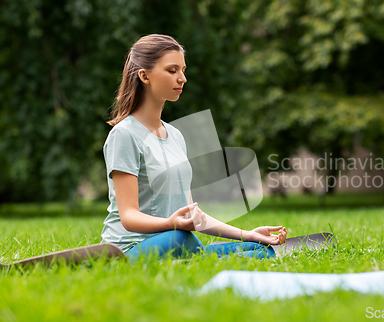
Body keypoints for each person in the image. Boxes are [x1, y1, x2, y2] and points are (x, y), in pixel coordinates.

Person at [100, 34, 287, 262]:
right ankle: (193, 259)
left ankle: (191, 261)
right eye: (172, 70)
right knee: (180, 239)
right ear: (144, 76)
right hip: (128, 250)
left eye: (183, 70)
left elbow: (191, 214)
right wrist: (172, 224)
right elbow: (128, 216)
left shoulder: (176, 136)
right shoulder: (124, 135)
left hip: (175, 239)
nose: (183, 78)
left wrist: (247, 234)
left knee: (260, 249)